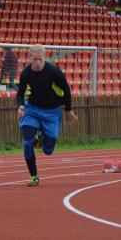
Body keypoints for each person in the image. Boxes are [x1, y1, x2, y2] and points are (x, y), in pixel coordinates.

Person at [16, 45, 78, 186]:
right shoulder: (26, 73)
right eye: (34, 59)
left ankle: (42, 138)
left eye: (40, 59)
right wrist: (20, 106)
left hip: (51, 112)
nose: (37, 63)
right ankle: (34, 176)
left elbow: (66, 90)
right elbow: (20, 93)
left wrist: (68, 110)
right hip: (32, 109)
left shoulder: (54, 71)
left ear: (45, 58)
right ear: (29, 58)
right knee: (27, 138)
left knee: (48, 150)